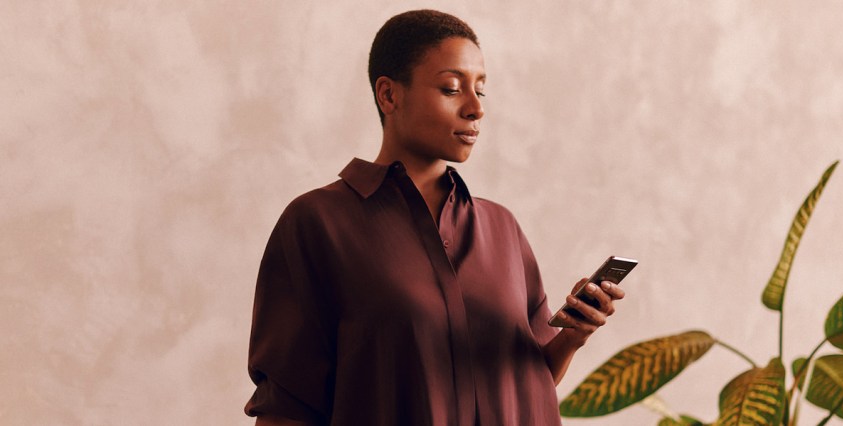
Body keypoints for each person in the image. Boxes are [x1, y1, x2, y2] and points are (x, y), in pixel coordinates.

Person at [245, 9, 625, 426]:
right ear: (389, 95)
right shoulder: (318, 223)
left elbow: (528, 380)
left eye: (482, 90)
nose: (475, 109)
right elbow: (285, 404)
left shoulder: (502, 228)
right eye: (451, 88)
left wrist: (572, 337)